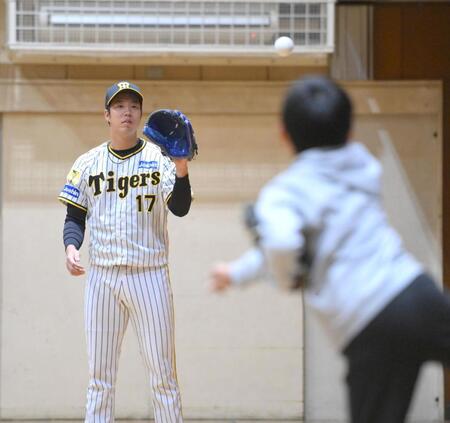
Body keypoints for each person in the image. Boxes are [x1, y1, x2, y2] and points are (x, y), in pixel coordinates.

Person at [210, 76, 450, 423]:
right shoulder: (363, 164)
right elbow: (292, 246)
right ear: (350, 131)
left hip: (368, 325)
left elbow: (282, 245)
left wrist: (283, 277)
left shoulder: (285, 193)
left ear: (284, 135)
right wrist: (239, 272)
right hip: (414, 292)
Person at [59, 81, 191, 422]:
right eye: (119, 106)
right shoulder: (87, 162)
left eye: (133, 105)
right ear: (106, 115)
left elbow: (180, 208)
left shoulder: (159, 159)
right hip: (102, 278)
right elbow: (74, 216)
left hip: (150, 276)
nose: (127, 111)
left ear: (140, 114)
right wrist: (71, 246)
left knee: (163, 376)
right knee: (99, 379)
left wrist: (182, 169)